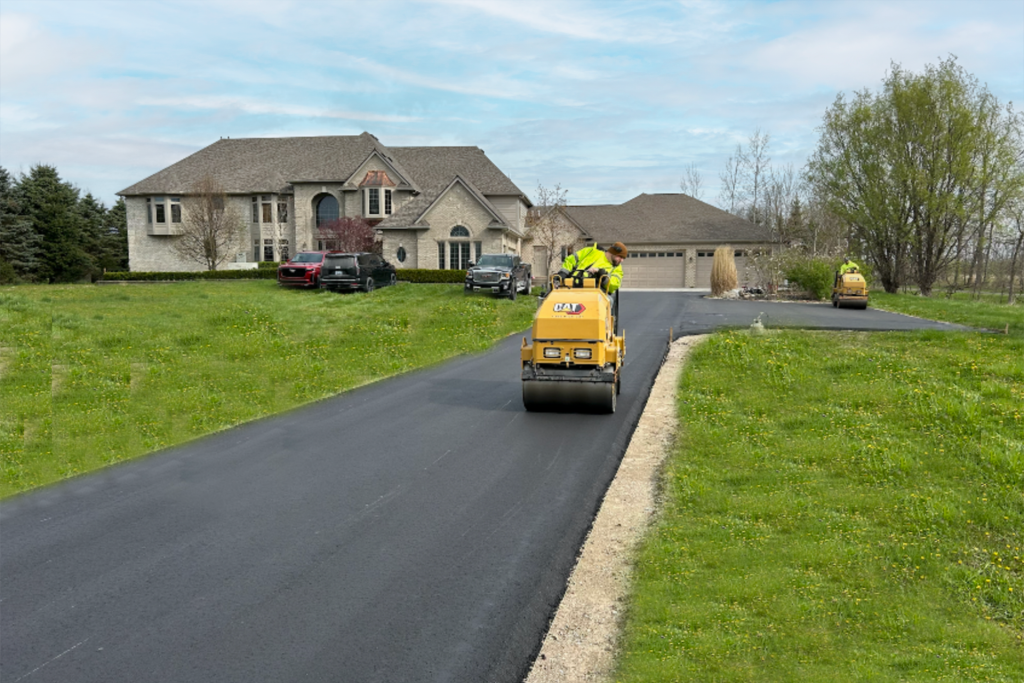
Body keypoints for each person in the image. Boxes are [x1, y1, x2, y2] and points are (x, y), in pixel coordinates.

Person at [558, 242, 628, 294]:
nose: (622, 260)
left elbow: (614, 285)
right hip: (571, 287)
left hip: (597, 293)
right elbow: (571, 260)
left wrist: (602, 274)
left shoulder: (617, 268)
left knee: (609, 301)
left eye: (623, 258)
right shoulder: (590, 251)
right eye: (620, 257)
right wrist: (563, 273)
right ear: (613, 252)